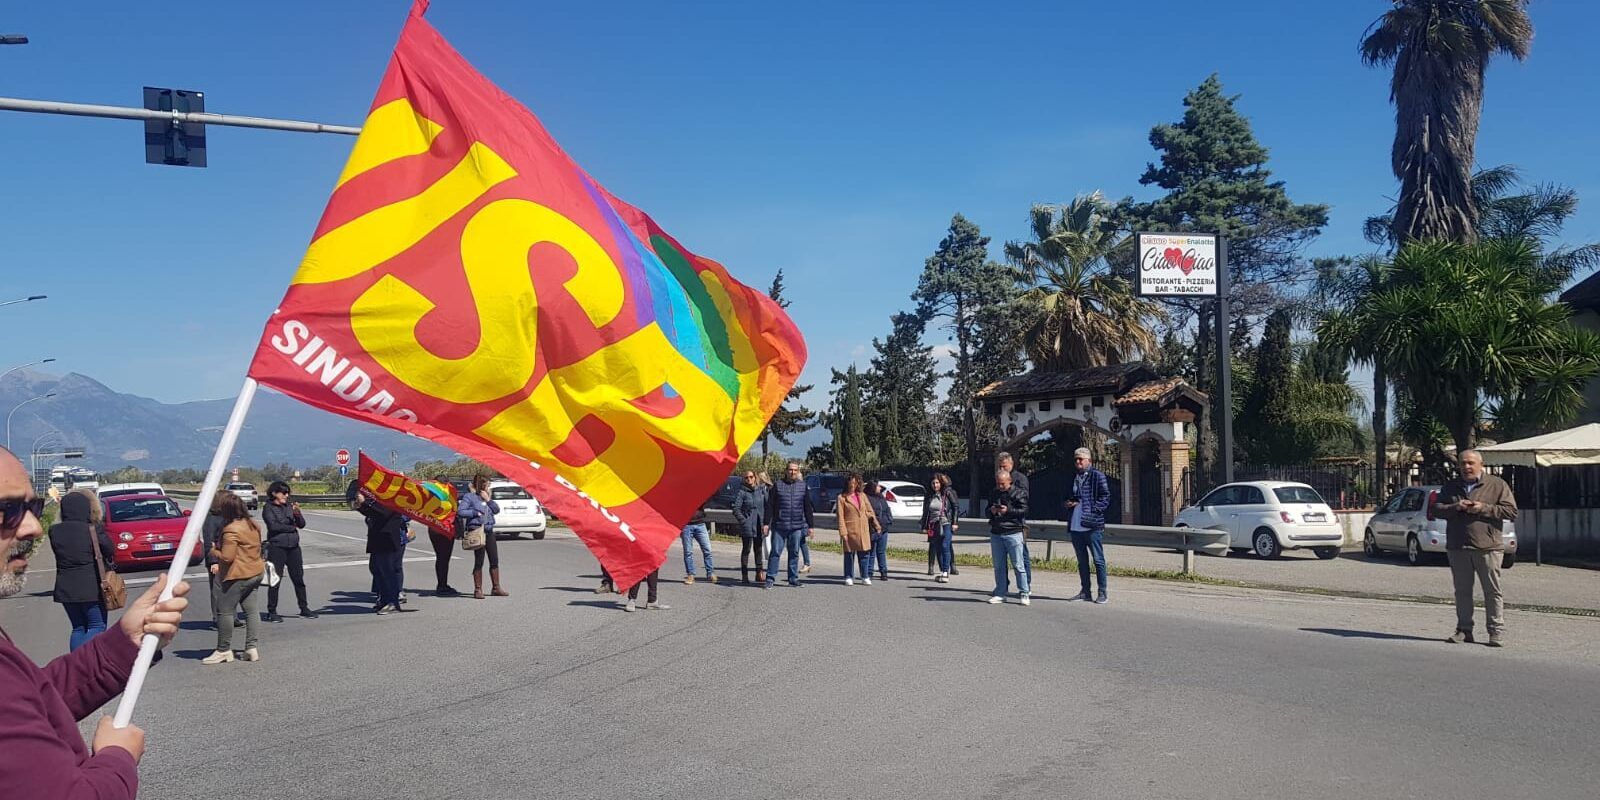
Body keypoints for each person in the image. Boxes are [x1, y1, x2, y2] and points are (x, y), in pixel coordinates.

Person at [1, 445, 191, 799]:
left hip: (69, 590)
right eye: (7, 511)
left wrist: (125, 642)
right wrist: (116, 757)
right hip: (88, 588)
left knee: (81, 630)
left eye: (33, 508)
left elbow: (31, 702)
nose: (32, 528)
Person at [1435, 450, 1518, 647]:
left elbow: (1511, 511)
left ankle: (1495, 631)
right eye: (1463, 463)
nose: (1466, 467)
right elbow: (1436, 510)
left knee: (1492, 591)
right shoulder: (1451, 486)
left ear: (1481, 464)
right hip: (1458, 546)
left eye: (1471, 463)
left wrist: (1483, 508)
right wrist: (1456, 506)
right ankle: (1464, 630)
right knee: (1462, 591)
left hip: (1488, 547)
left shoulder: (1497, 485)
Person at [203, 492, 266, 665]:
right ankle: (251, 648)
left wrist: (213, 550)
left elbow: (227, 557)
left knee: (225, 611)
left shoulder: (231, 529)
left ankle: (223, 650)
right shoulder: (253, 524)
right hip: (255, 571)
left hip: (237, 575)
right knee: (252, 610)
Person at [50, 490, 115, 650]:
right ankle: (85, 663)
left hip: (65, 587)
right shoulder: (92, 529)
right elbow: (109, 549)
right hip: (91, 586)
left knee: (78, 627)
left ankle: (74, 664)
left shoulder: (54, 531)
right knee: (97, 625)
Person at [350, 480, 412, 614]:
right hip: (377, 538)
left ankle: (393, 602)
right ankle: (384, 599)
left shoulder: (393, 499)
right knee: (377, 570)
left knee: (388, 571)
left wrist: (365, 502)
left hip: (388, 539)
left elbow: (383, 512)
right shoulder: (381, 499)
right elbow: (373, 513)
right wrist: (360, 506)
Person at [261, 480, 317, 622]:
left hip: (293, 547)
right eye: (283, 493)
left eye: (288, 493)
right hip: (277, 547)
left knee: (298, 578)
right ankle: (272, 611)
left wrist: (297, 514)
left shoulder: (289, 507)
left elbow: (302, 524)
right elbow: (273, 526)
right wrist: (291, 527)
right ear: (274, 493)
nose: (286, 495)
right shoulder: (268, 508)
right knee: (275, 580)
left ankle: (304, 607)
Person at [1066, 447, 1112, 604]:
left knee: (1098, 560)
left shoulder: (1097, 476)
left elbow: (1105, 497)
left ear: (1089, 461)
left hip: (1092, 526)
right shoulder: (1073, 477)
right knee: (1082, 561)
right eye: (1076, 459)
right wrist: (1068, 503)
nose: (1078, 462)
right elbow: (1069, 496)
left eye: (1081, 459)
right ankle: (1085, 591)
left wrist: (1093, 510)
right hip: (1075, 525)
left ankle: (1102, 592)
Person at [764, 462, 816, 588]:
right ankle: (770, 579)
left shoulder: (803, 486)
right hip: (779, 525)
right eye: (790, 470)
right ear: (786, 471)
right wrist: (766, 523)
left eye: (795, 470)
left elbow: (807, 507)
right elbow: (770, 506)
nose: (792, 472)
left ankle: (793, 579)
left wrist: (810, 526)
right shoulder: (778, 485)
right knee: (775, 552)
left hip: (796, 526)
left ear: (798, 472)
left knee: (794, 553)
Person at [458, 475, 508, 599]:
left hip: (489, 531)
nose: (488, 486)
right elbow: (461, 511)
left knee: (494, 559)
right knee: (479, 560)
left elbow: (496, 510)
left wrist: (488, 500)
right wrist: (474, 513)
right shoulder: (469, 497)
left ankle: (496, 587)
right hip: (477, 531)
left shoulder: (487, 497)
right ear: (481, 485)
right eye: (487, 484)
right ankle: (478, 589)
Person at [986, 469, 1030, 605]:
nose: (1000, 486)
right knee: (999, 566)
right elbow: (987, 511)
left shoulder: (1019, 493)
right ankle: (1000, 592)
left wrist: (1008, 510)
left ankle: (1024, 592)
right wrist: (992, 511)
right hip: (997, 532)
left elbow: (1024, 510)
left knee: (1018, 564)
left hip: (1013, 532)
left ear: (1009, 481)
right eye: (998, 483)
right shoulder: (994, 493)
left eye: (1003, 484)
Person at [836, 474, 880, 585]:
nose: (853, 485)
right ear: (847, 484)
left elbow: (870, 511)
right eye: (850, 483)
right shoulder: (841, 498)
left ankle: (865, 576)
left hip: (863, 529)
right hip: (850, 530)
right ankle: (848, 576)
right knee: (849, 555)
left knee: (864, 554)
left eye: (855, 483)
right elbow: (840, 517)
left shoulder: (862, 495)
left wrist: (876, 525)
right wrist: (843, 532)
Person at [997, 451, 1032, 581]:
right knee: (1001, 558)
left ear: (1011, 464)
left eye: (1004, 466)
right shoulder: (998, 478)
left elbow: (1024, 501)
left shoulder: (1020, 479)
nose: (1001, 469)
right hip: (1001, 522)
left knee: (1021, 555)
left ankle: (1026, 583)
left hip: (1017, 521)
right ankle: (1003, 584)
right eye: (999, 466)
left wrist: (1009, 507)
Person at [921, 473, 960, 583]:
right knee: (937, 548)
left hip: (946, 522)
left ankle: (946, 572)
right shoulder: (929, 495)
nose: (935, 485)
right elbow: (925, 511)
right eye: (933, 483)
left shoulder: (947, 493)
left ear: (941, 483)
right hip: (933, 525)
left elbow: (955, 507)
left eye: (937, 483)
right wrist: (924, 525)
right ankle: (943, 570)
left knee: (945, 545)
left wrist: (955, 522)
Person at [732, 470, 768, 584]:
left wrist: (766, 522)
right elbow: (736, 509)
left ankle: (759, 573)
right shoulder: (742, 492)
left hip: (759, 524)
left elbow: (767, 506)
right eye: (746, 477)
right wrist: (743, 521)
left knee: (758, 550)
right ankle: (744, 575)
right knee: (746, 550)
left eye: (751, 477)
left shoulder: (761, 490)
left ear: (755, 477)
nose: (749, 479)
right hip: (747, 526)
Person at [430, 475, 460, 596]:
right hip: (445, 528)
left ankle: (442, 584)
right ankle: (442, 585)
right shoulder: (448, 494)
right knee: (444, 558)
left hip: (434, 527)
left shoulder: (430, 493)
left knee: (440, 557)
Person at [680, 500, 716, 584]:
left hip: (700, 524)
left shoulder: (697, 490)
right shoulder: (681, 493)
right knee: (688, 552)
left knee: (707, 550)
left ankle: (710, 573)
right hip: (686, 525)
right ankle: (690, 575)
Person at [865, 481, 893, 582]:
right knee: (871, 551)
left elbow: (886, 510)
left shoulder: (881, 497)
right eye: (878, 486)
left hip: (884, 528)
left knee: (881, 551)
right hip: (873, 529)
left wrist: (888, 520)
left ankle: (883, 572)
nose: (880, 488)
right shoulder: (867, 498)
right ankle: (869, 572)